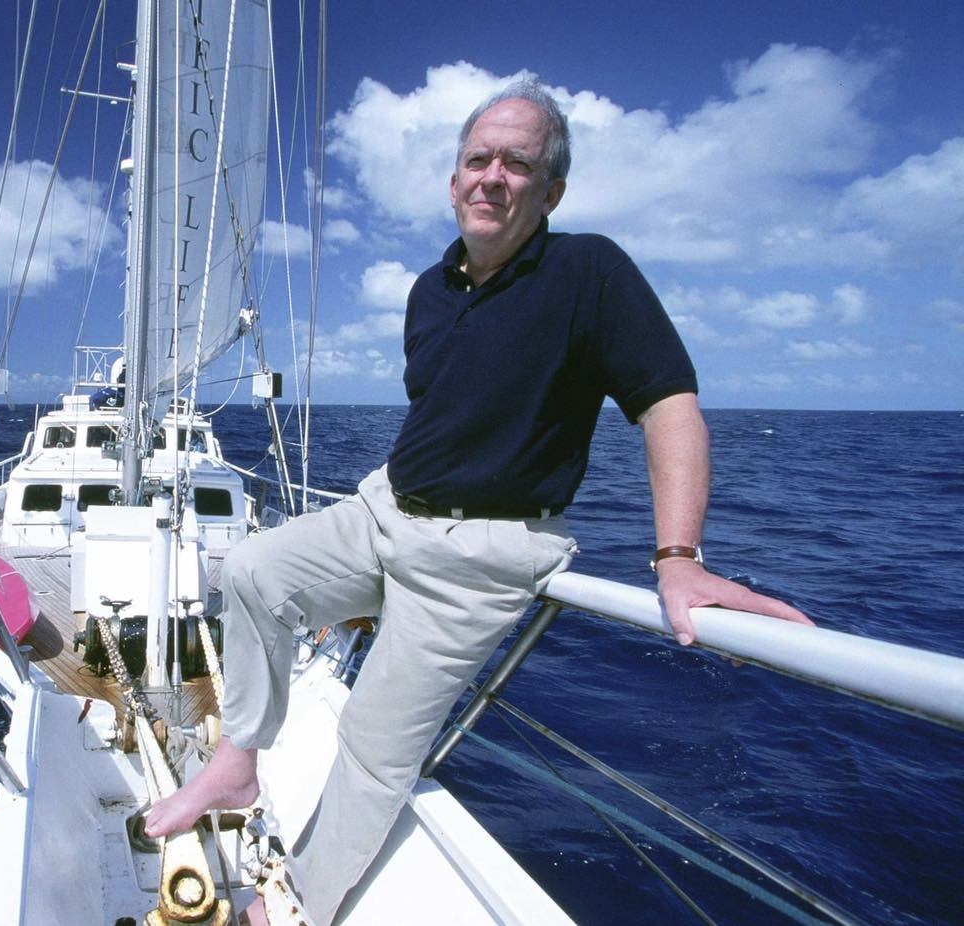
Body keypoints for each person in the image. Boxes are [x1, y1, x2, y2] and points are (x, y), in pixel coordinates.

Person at [145, 79, 813, 925]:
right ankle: (237, 757)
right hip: (382, 511)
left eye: (517, 163)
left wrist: (678, 559)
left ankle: (290, 907)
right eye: (478, 159)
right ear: (455, 177)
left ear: (551, 190)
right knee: (248, 568)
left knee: (370, 751)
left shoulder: (590, 271)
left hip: (477, 558)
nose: (493, 176)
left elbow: (669, 404)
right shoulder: (430, 289)